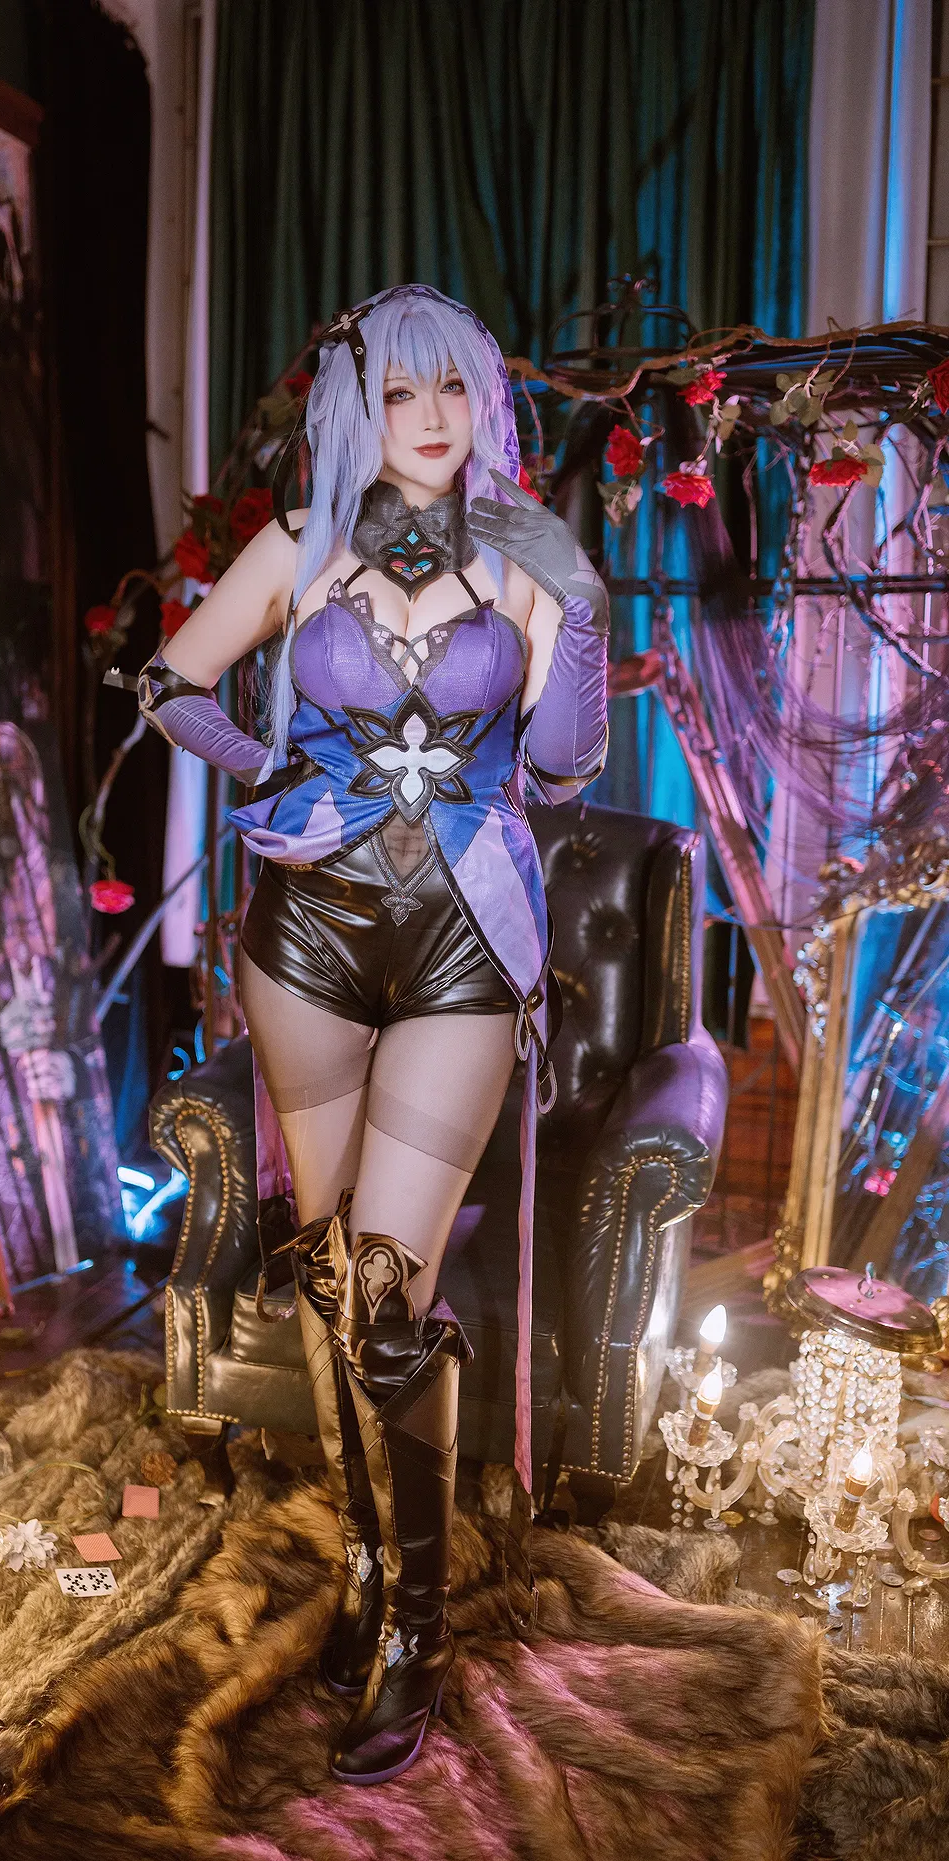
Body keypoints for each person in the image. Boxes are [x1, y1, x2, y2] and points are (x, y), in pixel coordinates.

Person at [137, 286, 608, 1785]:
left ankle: (416, 1628)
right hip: (308, 940)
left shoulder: (526, 553)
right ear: (360, 404)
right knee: (338, 1277)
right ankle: (364, 1558)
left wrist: (580, 613)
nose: (430, 417)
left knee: (393, 1293)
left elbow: (566, 763)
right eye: (402, 391)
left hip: (469, 937)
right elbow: (169, 683)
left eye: (454, 389)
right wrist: (268, 766)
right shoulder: (301, 543)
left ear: (484, 405)